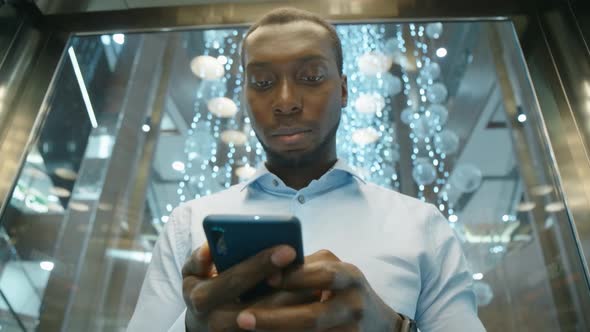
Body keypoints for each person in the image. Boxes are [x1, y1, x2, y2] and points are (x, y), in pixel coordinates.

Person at [127, 7, 485, 332]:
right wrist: (192, 326)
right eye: (263, 83)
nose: (285, 102)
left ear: (343, 90)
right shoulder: (187, 223)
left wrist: (393, 328)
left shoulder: (421, 225)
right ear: (245, 97)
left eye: (312, 77)